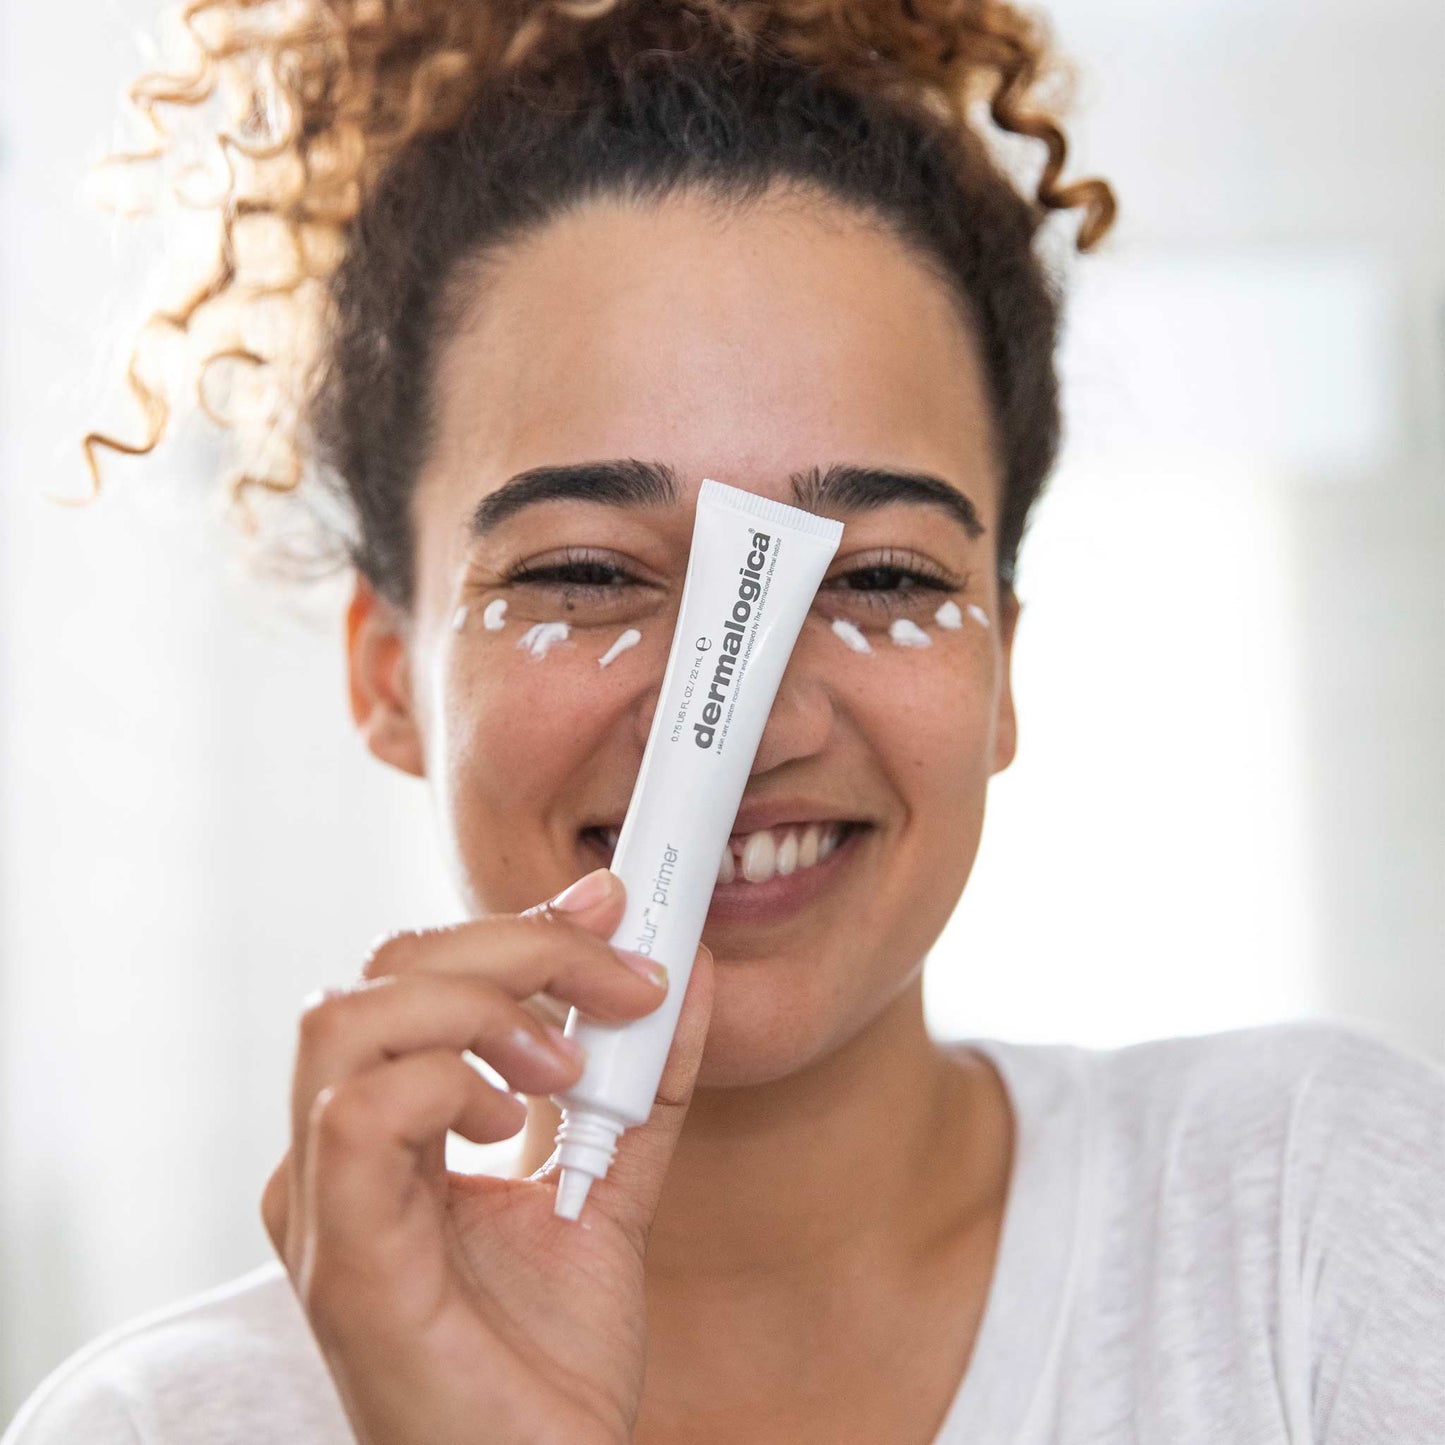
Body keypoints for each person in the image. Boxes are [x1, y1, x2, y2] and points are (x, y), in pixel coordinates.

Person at [6, 1, 1444, 1442]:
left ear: (1002, 667)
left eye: (879, 574)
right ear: (387, 672)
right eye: (579, 571)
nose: (748, 721)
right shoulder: (151, 1425)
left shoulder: (1322, 1222)